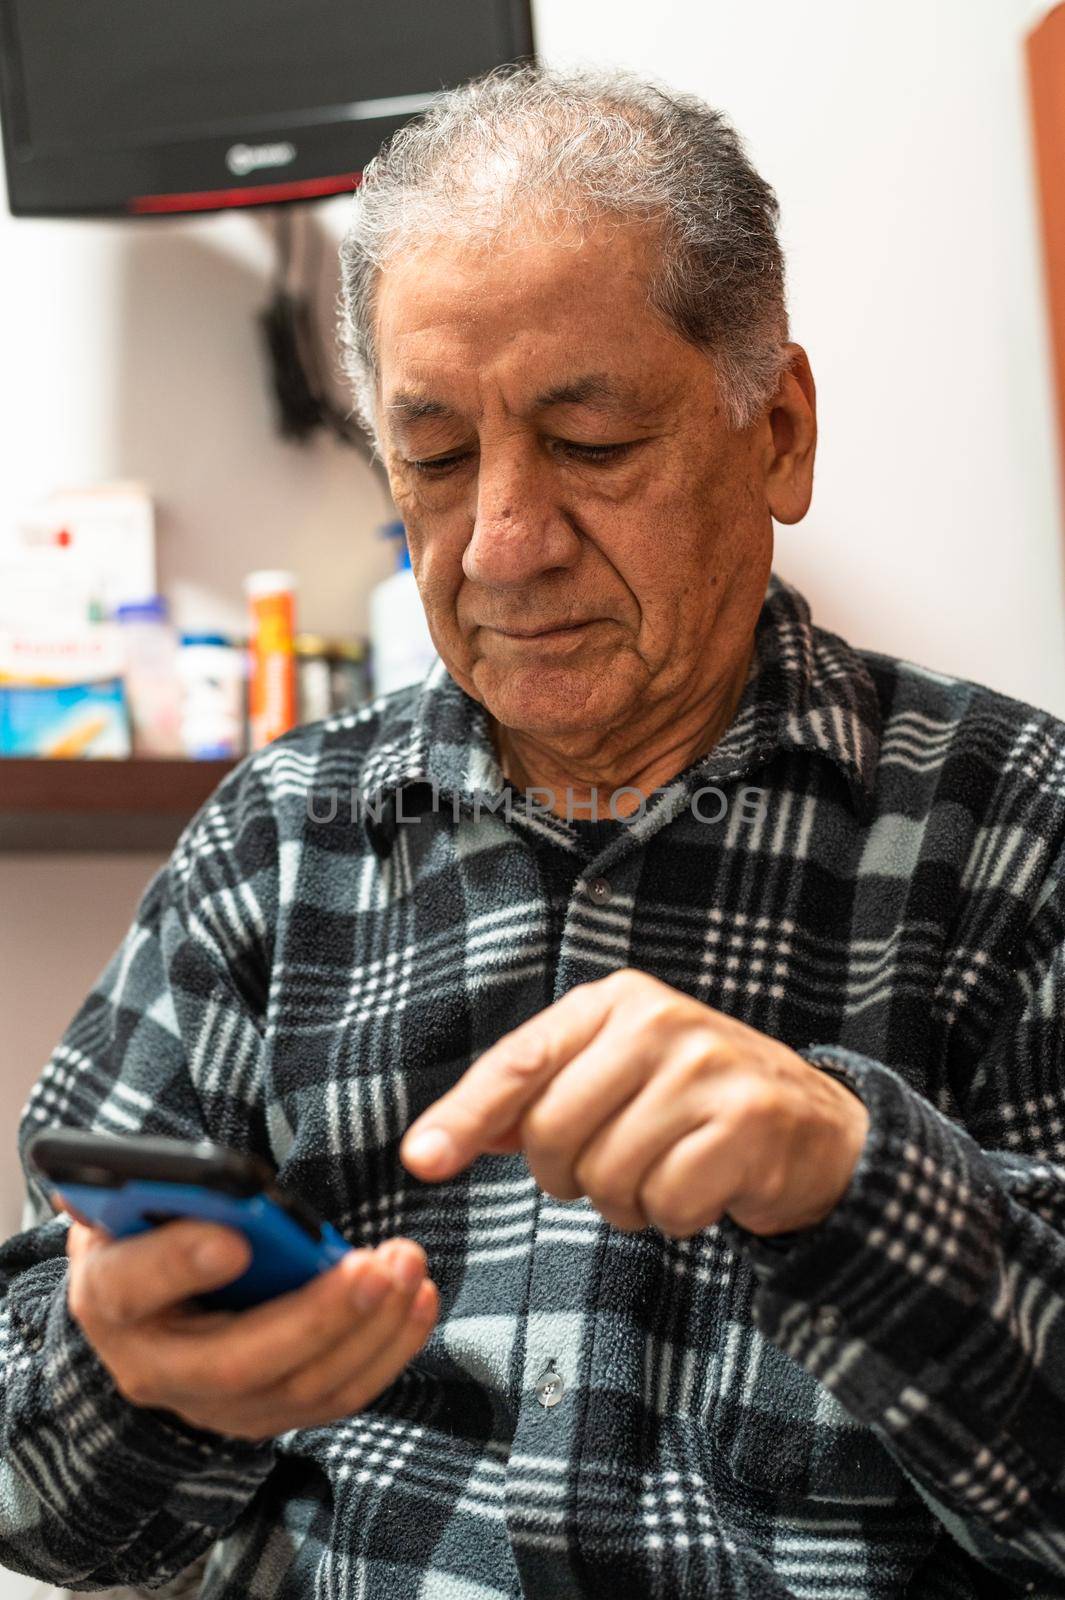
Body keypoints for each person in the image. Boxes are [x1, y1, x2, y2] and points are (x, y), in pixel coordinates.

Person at [2, 62, 1064, 1600]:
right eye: (432, 459)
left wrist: (850, 1179)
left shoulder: (1013, 829)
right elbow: (37, 1505)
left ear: (775, 432)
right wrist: (131, 1374)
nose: (499, 543)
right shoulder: (276, 848)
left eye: (590, 441)